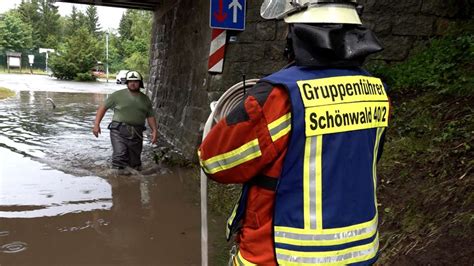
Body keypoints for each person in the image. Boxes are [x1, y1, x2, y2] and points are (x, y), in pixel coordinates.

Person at [198, 0, 390, 265]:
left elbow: (215, 162)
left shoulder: (279, 96)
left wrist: (227, 121)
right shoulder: (376, 91)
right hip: (359, 253)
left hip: (279, 255)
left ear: (298, 33)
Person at [93, 70, 158, 171]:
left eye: (135, 81)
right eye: (130, 81)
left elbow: (150, 116)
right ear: (127, 82)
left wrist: (154, 131)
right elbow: (103, 108)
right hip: (118, 130)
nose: (132, 83)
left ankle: (131, 181)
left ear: (140, 83)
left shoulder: (145, 99)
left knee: (135, 164)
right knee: (120, 155)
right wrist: (96, 125)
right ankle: (117, 180)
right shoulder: (117, 95)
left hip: (137, 133)